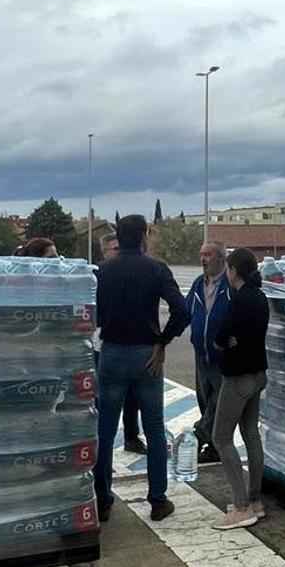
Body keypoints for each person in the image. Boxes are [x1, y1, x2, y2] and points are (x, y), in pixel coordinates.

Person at [94, 214, 190, 522]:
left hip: (111, 353)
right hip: (146, 354)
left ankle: (103, 499)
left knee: (105, 430)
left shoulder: (103, 272)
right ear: (145, 235)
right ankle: (158, 500)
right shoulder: (156, 269)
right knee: (154, 426)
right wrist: (162, 341)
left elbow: (93, 314)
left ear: (118, 238)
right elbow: (182, 311)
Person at [209, 247, 269, 530]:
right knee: (250, 433)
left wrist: (225, 340)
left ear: (234, 271)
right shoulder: (260, 298)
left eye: (229, 270)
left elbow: (221, 336)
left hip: (238, 378)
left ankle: (241, 506)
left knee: (221, 437)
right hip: (258, 374)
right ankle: (255, 499)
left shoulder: (239, 300)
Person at [96, 232, 145, 455]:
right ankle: (99, 445)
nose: (119, 253)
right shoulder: (97, 275)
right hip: (101, 345)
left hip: (129, 344)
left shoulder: (128, 271)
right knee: (104, 399)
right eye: (115, 250)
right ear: (105, 252)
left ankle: (131, 436)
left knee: (132, 396)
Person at [185, 240, 231, 464]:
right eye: (201, 254)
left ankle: (198, 435)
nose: (203, 259)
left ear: (221, 259)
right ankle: (214, 448)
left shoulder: (230, 285)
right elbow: (186, 312)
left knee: (218, 402)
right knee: (204, 398)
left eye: (208, 254)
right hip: (201, 354)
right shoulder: (197, 284)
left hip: (222, 356)